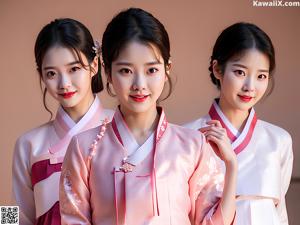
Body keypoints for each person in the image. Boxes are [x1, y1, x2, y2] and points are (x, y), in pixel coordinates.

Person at [60, 8, 237, 225]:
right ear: (107, 72)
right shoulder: (78, 147)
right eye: (125, 71)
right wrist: (6, 217)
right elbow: (15, 211)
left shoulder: (192, 146)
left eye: (151, 70)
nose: (139, 85)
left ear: (167, 69)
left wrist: (232, 167)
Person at [185, 22, 293, 225]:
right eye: (240, 72)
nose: (250, 86)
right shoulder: (187, 135)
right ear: (217, 69)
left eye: (261, 76)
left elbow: (279, 215)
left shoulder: (279, 141)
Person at [12, 18, 114, 225]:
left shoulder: (122, 129)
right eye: (51, 73)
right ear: (41, 75)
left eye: (74, 69)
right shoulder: (28, 144)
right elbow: (13, 212)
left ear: (94, 65)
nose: (64, 83)